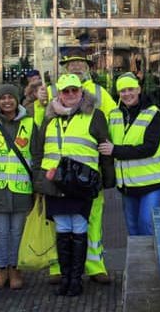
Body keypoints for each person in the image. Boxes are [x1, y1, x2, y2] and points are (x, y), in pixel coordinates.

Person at [33, 74, 115, 296]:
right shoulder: (49, 118)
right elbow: (39, 151)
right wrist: (38, 182)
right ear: (59, 94)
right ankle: (66, 278)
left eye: (74, 91)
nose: (70, 95)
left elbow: (104, 148)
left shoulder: (95, 116)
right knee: (62, 229)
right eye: (65, 91)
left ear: (82, 92)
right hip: (55, 184)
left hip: (81, 184)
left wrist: (107, 180)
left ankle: (76, 280)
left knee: (79, 228)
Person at [0, 84, 40, 290]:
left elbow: (37, 156)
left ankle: (15, 269)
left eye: (10, 97)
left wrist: (37, 186)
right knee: (1, 232)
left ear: (17, 100)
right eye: (3, 98)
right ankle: (1, 268)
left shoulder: (30, 124)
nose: (7, 101)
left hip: (22, 188)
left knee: (17, 232)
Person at [100, 73, 160, 235]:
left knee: (146, 224)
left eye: (131, 89)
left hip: (152, 181)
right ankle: (138, 261)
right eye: (122, 91)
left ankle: (152, 260)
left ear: (139, 89)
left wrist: (115, 150)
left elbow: (149, 148)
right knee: (132, 227)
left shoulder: (153, 114)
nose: (127, 94)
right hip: (127, 184)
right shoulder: (114, 114)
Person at [51, 51, 118, 118]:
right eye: (73, 65)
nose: (77, 68)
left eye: (81, 64)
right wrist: (41, 103)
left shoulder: (99, 91)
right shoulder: (53, 90)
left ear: (86, 69)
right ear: (66, 68)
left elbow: (114, 114)